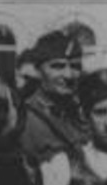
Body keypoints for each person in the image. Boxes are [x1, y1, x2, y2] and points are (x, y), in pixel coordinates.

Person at [17, 30, 87, 164]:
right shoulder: (23, 119)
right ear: (38, 70)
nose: (68, 75)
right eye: (57, 66)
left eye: (75, 66)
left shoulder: (82, 114)